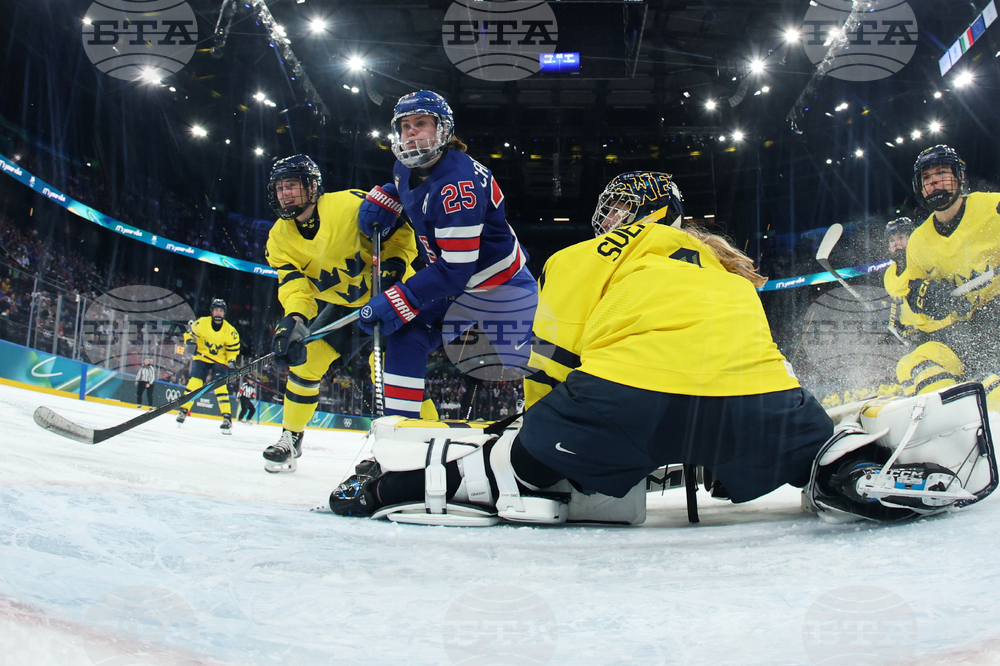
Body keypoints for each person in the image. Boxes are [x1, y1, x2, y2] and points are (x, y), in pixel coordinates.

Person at [327, 172, 993, 525]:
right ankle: (850, 468)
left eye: (615, 207)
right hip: (759, 406)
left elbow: (550, 362)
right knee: (814, 445)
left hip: (629, 400)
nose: (605, 217)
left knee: (518, 466)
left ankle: (390, 488)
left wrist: (532, 431)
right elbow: (769, 362)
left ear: (636, 212)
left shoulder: (588, 254)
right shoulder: (729, 268)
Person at [356, 90, 537, 419]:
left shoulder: (458, 186)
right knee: (405, 337)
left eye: (421, 123)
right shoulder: (403, 167)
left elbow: (456, 269)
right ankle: (400, 437)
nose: (410, 132)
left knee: (537, 363)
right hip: (459, 283)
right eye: (405, 125)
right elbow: (411, 188)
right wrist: (389, 196)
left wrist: (402, 296)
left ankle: (545, 425)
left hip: (499, 290)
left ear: (443, 130)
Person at [261, 154, 419, 472]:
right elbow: (294, 286)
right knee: (306, 359)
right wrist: (293, 319)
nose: (284, 194)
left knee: (393, 372)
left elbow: (400, 229)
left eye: (291, 185)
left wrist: (395, 265)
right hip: (345, 307)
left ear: (312, 186)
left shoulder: (349, 204)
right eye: (279, 188)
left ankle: (404, 448)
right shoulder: (279, 236)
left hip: (390, 300)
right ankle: (291, 436)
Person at [886, 145, 1000, 409]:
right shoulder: (918, 242)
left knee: (993, 393)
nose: (933, 181)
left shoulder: (993, 207)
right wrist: (930, 298)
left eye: (941, 173)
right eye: (926, 177)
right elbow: (914, 294)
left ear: (959, 177)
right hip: (966, 330)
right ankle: (959, 423)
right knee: (912, 364)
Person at [176, 298, 240, 434]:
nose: (218, 313)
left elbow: (233, 349)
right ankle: (183, 411)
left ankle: (227, 418)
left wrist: (231, 361)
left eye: (221, 311)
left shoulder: (230, 330)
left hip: (220, 361)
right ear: (212, 312)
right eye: (216, 310)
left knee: (220, 386)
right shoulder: (201, 323)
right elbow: (190, 334)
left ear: (224, 313)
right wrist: (190, 344)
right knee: (195, 382)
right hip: (201, 357)